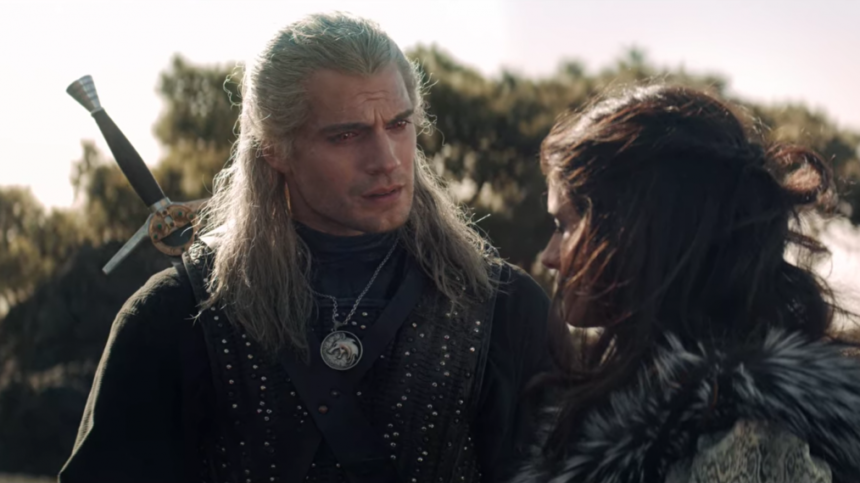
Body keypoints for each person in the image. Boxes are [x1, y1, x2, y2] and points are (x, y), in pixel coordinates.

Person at [59, 12, 551, 483]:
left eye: (399, 125)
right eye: (347, 135)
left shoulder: (505, 308)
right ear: (274, 148)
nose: (386, 160)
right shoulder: (173, 317)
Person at [513, 85, 860, 483]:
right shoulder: (639, 403)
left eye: (563, 226)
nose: (548, 255)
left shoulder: (750, 449)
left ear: (634, 233)